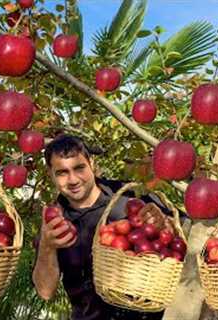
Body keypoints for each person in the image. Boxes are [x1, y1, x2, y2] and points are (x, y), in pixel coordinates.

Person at [32, 134, 170, 320]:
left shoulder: (130, 196)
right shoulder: (55, 224)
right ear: (51, 174)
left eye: (79, 168)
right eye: (62, 172)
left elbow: (184, 236)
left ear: (92, 163)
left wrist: (165, 225)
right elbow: (45, 291)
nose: (73, 180)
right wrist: (47, 247)